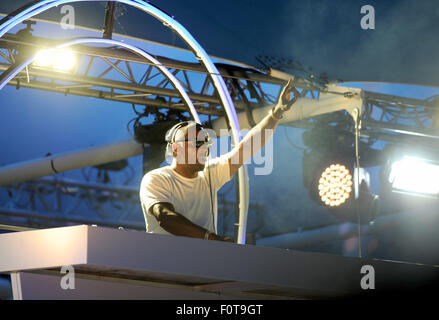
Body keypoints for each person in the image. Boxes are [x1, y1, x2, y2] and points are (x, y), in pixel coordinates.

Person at [139, 79, 299, 242]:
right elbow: (166, 217)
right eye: (198, 143)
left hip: (201, 263)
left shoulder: (209, 175)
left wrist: (277, 112)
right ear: (176, 149)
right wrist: (211, 238)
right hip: (163, 262)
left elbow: (248, 147)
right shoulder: (156, 178)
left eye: (207, 144)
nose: (205, 149)